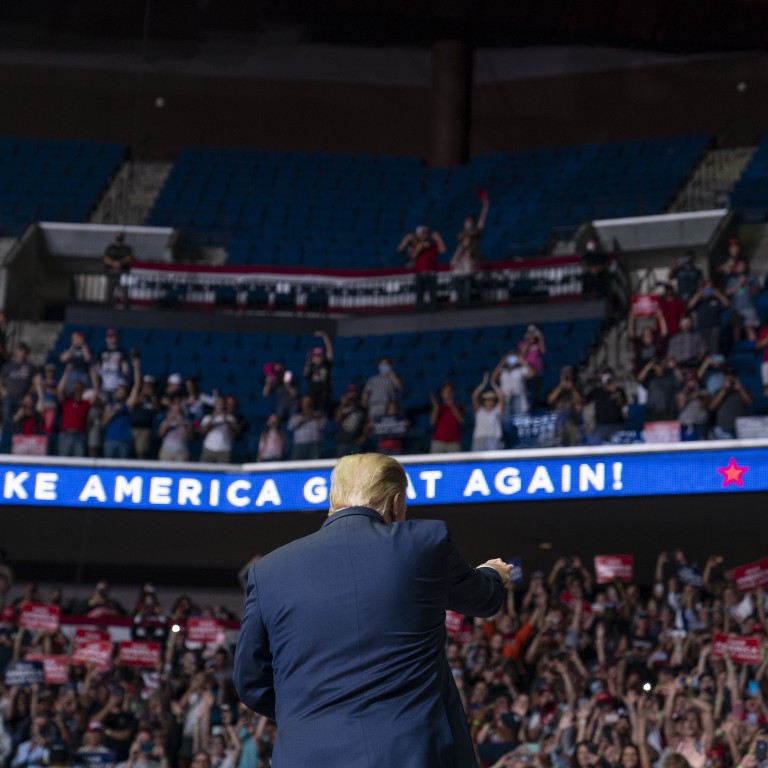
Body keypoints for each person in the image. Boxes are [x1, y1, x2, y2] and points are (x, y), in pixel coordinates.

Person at [233, 452, 510, 768]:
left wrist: (309, 712)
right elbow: (483, 598)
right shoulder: (423, 543)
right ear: (395, 502)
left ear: (333, 499)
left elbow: (251, 682)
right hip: (409, 755)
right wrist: (492, 573)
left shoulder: (267, 571)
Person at [450, 191, 489, 305]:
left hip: (470, 257)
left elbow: (482, 219)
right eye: (467, 221)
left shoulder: (475, 232)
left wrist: (485, 205)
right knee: (459, 280)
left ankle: (466, 301)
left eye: (470, 221)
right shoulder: (461, 234)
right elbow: (460, 247)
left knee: (468, 280)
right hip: (461, 258)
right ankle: (460, 300)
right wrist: (455, 259)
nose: (469, 223)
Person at [398, 226, 447, 311]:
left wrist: (438, 238)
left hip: (431, 273)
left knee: (432, 294)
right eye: (422, 233)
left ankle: (433, 309)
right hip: (420, 273)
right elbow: (412, 256)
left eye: (426, 233)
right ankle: (420, 309)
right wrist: (419, 248)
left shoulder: (432, 245)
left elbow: (443, 250)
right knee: (420, 294)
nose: (424, 235)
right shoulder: (415, 245)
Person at [1, 343, 35, 439]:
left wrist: (29, 394)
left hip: (22, 398)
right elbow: (1, 381)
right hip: (9, 398)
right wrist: (3, 390)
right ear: (16, 352)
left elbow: (34, 382)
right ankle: (5, 443)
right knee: (7, 420)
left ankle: (17, 443)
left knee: (19, 422)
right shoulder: (8, 366)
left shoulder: (30, 367)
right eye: (20, 351)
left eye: (24, 352)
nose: (21, 354)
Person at [687, 279, 728, 356]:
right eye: (706, 287)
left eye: (710, 287)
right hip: (701, 328)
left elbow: (727, 304)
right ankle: (704, 366)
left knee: (715, 350)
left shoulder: (716, 299)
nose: (708, 290)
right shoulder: (699, 300)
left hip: (714, 328)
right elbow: (689, 306)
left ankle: (717, 366)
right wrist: (699, 293)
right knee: (702, 350)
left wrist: (719, 294)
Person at [709, 366, 752, 439]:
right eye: (727, 376)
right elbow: (712, 406)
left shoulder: (742, 390)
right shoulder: (719, 391)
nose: (730, 378)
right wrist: (724, 391)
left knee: (741, 450)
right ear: (724, 377)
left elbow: (749, 402)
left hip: (740, 427)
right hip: (723, 427)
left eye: (732, 376)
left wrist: (741, 389)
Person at [200, 397, 241, 463]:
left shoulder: (231, 419)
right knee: (205, 471)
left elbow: (233, 435)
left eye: (221, 404)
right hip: (208, 448)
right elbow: (203, 432)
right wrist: (213, 418)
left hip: (224, 450)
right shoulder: (207, 418)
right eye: (218, 404)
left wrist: (226, 421)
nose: (220, 406)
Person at [471, 372, 504, 451]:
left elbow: (502, 398)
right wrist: (483, 384)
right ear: (484, 401)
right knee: (477, 462)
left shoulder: (496, 410)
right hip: (479, 439)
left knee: (494, 461)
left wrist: (493, 384)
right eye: (487, 400)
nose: (489, 402)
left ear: (493, 401)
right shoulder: (479, 410)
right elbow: (474, 396)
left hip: (493, 438)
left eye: (491, 400)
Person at [362, 356, 402, 421]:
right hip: (374, 405)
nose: (384, 366)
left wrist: (391, 374)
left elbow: (399, 386)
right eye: (382, 365)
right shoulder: (373, 379)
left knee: (388, 423)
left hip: (388, 406)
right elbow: (366, 392)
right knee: (374, 424)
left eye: (386, 364)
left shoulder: (392, 379)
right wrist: (364, 403)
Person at [287, 395, 327, 460]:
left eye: (309, 402)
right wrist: (304, 417)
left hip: (314, 446)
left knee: (315, 467)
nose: (307, 404)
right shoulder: (296, 417)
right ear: (301, 404)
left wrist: (313, 416)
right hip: (299, 446)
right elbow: (290, 427)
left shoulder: (319, 415)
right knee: (297, 467)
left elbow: (323, 427)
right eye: (305, 402)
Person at [303, 331, 333, 413]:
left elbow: (329, 350)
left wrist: (325, 336)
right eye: (316, 356)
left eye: (319, 356)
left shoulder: (326, 364)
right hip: (313, 394)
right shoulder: (311, 366)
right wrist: (308, 364)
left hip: (324, 394)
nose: (317, 358)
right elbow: (305, 375)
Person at [429, 381, 464, 453]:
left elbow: (461, 420)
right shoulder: (438, 408)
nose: (447, 394)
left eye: (449, 391)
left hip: (454, 441)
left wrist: (452, 405)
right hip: (438, 441)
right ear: (442, 394)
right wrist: (435, 407)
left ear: (453, 393)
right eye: (445, 392)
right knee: (434, 463)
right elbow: (432, 422)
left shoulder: (459, 406)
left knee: (455, 463)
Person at [333, 384, 367, 457]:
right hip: (342, 442)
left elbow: (366, 426)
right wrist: (342, 404)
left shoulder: (361, 409)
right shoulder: (341, 408)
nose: (352, 394)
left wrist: (362, 439)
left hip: (356, 443)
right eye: (350, 391)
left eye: (354, 391)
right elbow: (337, 420)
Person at [103, 231, 134, 308]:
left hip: (124, 272)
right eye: (118, 234)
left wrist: (120, 263)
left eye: (121, 234)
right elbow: (106, 258)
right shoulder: (110, 248)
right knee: (110, 291)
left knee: (125, 291)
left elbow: (129, 258)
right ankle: (109, 306)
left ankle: (125, 306)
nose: (119, 236)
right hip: (111, 272)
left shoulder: (127, 248)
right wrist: (114, 263)